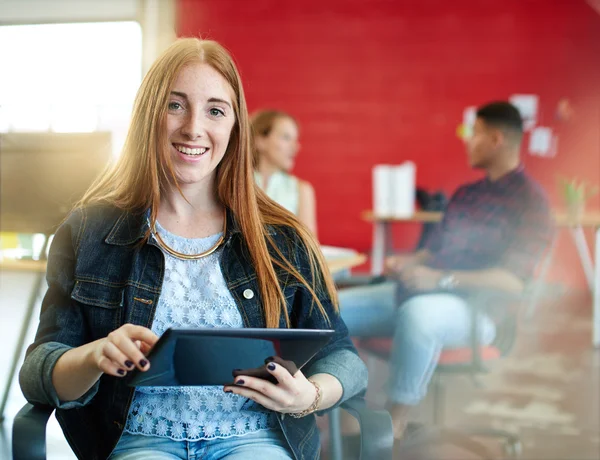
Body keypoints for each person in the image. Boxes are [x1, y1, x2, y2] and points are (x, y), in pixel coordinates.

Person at [19, 38, 367, 460]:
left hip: (255, 439)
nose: (193, 128)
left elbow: (343, 358)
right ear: (149, 114)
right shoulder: (88, 231)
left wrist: (309, 395)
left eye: (215, 110)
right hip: (139, 441)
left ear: (235, 127)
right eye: (175, 105)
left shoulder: (283, 236)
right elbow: (38, 374)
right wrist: (94, 356)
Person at [339, 101, 554, 440]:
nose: (467, 141)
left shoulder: (533, 203)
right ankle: (348, 416)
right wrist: (409, 263)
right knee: (331, 310)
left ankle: (395, 423)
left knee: (419, 314)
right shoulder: (467, 194)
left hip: (476, 310)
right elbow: (433, 251)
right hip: (417, 291)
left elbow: (513, 282)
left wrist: (440, 279)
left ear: (496, 139)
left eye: (475, 134)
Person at [251, 110, 318, 236]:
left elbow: (310, 249)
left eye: (295, 139)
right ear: (260, 141)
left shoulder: (302, 190)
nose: (295, 147)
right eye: (286, 137)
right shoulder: (235, 185)